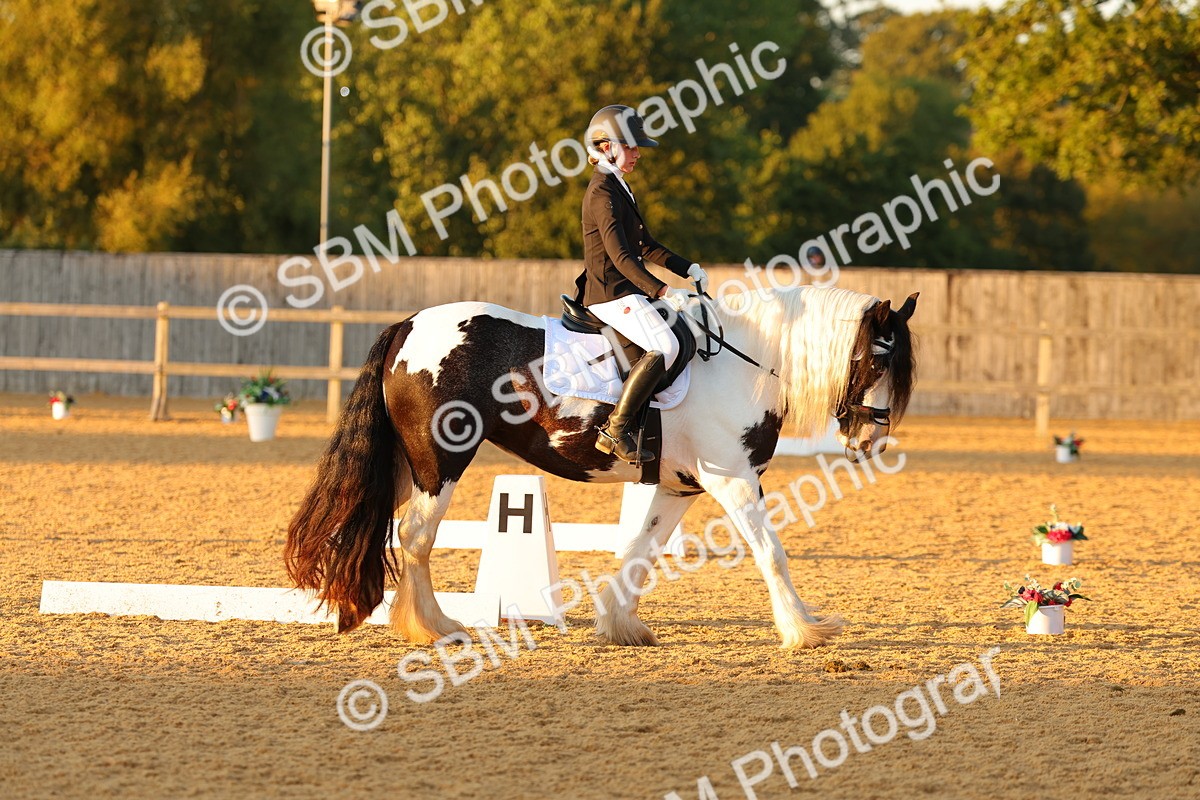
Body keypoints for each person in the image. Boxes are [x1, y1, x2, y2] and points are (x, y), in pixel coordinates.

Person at [573, 104, 708, 464]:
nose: (636, 154)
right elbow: (621, 257)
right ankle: (616, 428)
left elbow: (645, 244)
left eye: (636, 148)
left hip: (626, 289)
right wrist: (663, 291)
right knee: (664, 345)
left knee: (684, 336)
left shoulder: (620, 187)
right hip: (609, 293)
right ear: (605, 147)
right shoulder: (602, 192)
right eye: (630, 147)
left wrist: (687, 268)